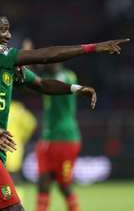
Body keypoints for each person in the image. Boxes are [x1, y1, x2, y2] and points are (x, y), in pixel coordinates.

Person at [0, 8, 129, 211]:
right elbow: (43, 56)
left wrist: (75, 89)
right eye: (3, 30)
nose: (9, 35)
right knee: (13, 208)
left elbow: (41, 84)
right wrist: (92, 48)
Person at [36, 63, 87, 211]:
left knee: (64, 185)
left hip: (66, 138)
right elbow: (28, 79)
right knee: (43, 183)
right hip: (47, 138)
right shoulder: (45, 79)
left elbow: (64, 82)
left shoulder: (68, 75)